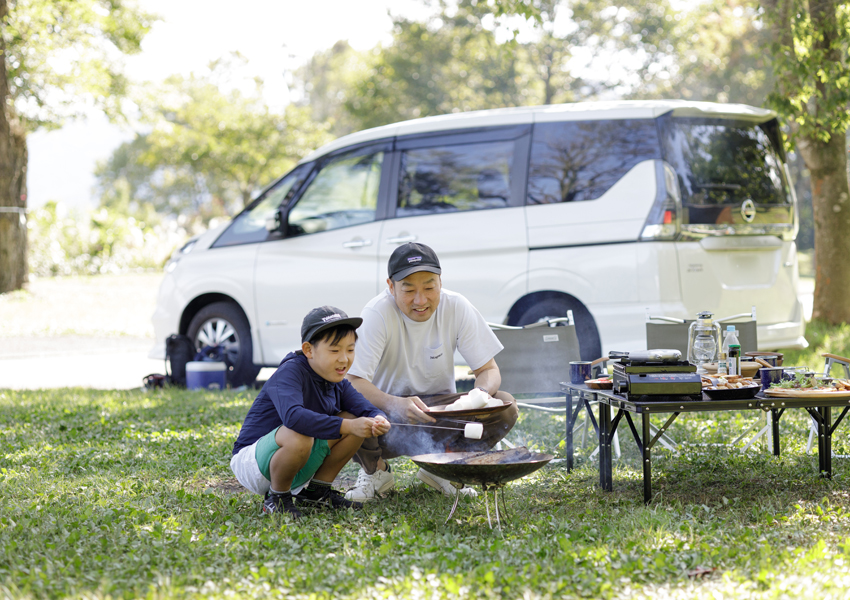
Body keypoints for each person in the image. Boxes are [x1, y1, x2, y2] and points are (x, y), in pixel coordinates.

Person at [344, 242, 518, 501]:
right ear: (391, 286)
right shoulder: (376, 313)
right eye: (409, 289)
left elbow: (489, 370)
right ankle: (375, 471)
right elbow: (354, 381)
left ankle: (442, 467)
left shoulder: (457, 305)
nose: (420, 300)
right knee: (343, 409)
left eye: (429, 287)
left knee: (505, 405)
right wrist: (396, 404)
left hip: (441, 416)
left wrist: (476, 397)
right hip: (388, 418)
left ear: (440, 282)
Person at [230, 306, 391, 518]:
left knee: (353, 419)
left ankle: (317, 493)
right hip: (255, 464)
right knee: (301, 432)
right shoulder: (290, 372)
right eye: (334, 350)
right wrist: (348, 426)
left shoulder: (337, 380)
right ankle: (277, 499)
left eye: (350, 350)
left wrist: (380, 419)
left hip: (297, 459)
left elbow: (365, 408)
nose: (344, 359)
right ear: (308, 350)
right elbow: (294, 418)